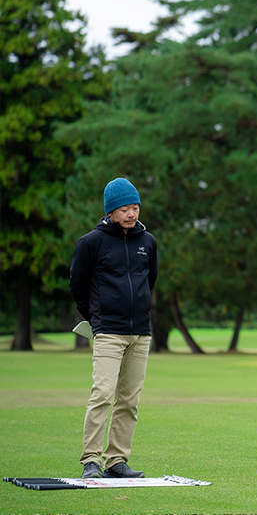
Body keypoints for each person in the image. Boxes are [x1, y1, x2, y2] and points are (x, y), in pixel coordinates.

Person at [69, 177, 158, 479]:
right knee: (102, 394)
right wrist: (97, 319)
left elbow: (150, 281)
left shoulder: (148, 242)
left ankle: (116, 460)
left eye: (135, 207)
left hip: (140, 332)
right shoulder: (91, 242)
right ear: (110, 211)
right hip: (108, 331)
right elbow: (77, 286)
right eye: (124, 209)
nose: (132, 214)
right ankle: (91, 460)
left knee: (129, 400)